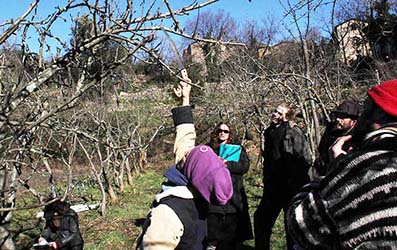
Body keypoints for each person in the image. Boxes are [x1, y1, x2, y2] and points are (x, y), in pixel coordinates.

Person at [287, 79, 397, 249]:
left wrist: (335, 170)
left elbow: (302, 226)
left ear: (381, 114)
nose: (361, 116)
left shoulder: (370, 165)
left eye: (366, 108)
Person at [136, 78, 233, 250]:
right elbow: (186, 138)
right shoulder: (197, 186)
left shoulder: (168, 212)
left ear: (190, 170)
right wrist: (185, 99)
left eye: (188, 155)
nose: (186, 151)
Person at [254, 103, 312, 250]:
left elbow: (303, 159)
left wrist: (299, 183)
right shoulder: (269, 132)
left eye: (279, 112)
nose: (274, 114)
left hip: (290, 187)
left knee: (291, 226)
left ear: (286, 117)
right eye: (274, 111)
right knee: (261, 220)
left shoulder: (294, 132)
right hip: (272, 186)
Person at [206, 122, 253, 250]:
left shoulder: (237, 148)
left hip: (233, 193)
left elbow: (244, 166)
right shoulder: (209, 148)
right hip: (213, 193)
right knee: (212, 231)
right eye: (220, 130)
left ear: (230, 134)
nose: (222, 133)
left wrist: (227, 164)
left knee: (232, 234)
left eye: (226, 131)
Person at [313, 99, 360, 177]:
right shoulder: (330, 133)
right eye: (338, 115)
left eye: (343, 117)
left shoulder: (358, 139)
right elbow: (321, 153)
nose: (338, 119)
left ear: (353, 122)